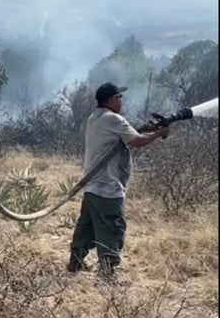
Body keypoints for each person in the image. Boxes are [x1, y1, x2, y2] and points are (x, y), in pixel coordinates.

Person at [67, 82, 170, 278]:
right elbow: (137, 141)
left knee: (86, 227)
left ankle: (75, 262)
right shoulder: (113, 120)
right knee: (112, 228)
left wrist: (147, 128)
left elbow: (126, 135)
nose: (122, 101)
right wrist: (158, 134)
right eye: (119, 97)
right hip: (108, 187)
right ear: (112, 100)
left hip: (92, 187)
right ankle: (107, 273)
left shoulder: (95, 118)